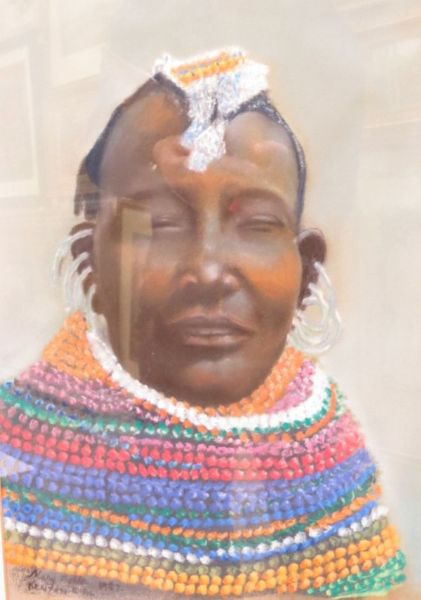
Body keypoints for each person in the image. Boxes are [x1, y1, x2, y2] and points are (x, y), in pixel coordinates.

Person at [0, 48, 406, 600]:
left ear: (308, 269)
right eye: (160, 224)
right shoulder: (17, 458)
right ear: (89, 260)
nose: (209, 270)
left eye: (257, 224)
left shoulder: (328, 451)